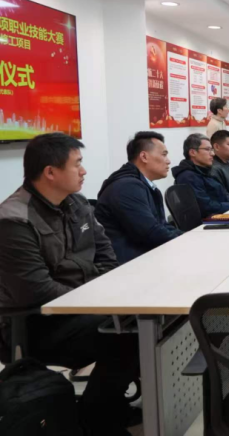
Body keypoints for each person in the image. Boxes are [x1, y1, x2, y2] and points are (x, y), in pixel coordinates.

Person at [0, 133, 139, 435]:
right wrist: (96, 299)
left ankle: (107, 407)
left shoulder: (77, 204)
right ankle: (97, 419)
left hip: (82, 309)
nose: (84, 171)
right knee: (129, 332)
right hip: (36, 324)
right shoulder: (14, 221)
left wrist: (99, 295)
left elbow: (107, 256)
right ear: (51, 172)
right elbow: (37, 290)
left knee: (146, 320)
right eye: (77, 164)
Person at [95, 131, 183, 264]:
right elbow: (151, 233)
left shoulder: (144, 185)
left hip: (145, 256)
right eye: (164, 154)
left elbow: (162, 226)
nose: (168, 161)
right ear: (144, 156)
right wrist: (187, 240)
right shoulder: (126, 187)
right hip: (128, 265)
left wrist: (186, 237)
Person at [172, 133, 229, 218]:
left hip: (223, 215)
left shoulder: (205, 171)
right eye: (207, 149)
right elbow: (207, 207)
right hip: (209, 221)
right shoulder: (188, 177)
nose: (212, 154)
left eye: (212, 149)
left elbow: (224, 195)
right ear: (193, 152)